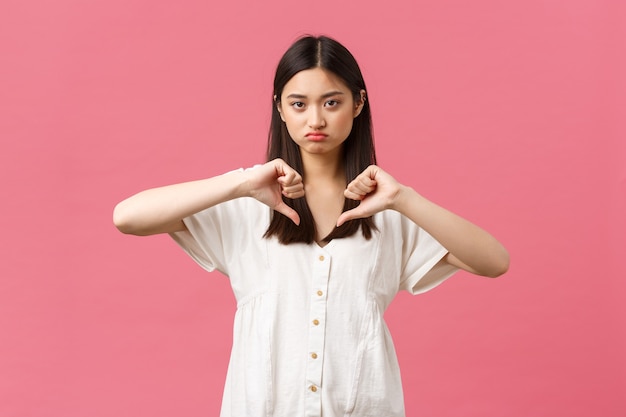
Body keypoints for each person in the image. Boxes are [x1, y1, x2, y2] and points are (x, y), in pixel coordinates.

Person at [113, 35, 509, 417]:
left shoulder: (388, 211)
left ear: (357, 104)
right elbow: (127, 217)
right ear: (280, 108)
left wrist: (404, 198)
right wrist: (241, 182)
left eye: (331, 102)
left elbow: (494, 261)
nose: (315, 119)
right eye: (298, 104)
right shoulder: (247, 204)